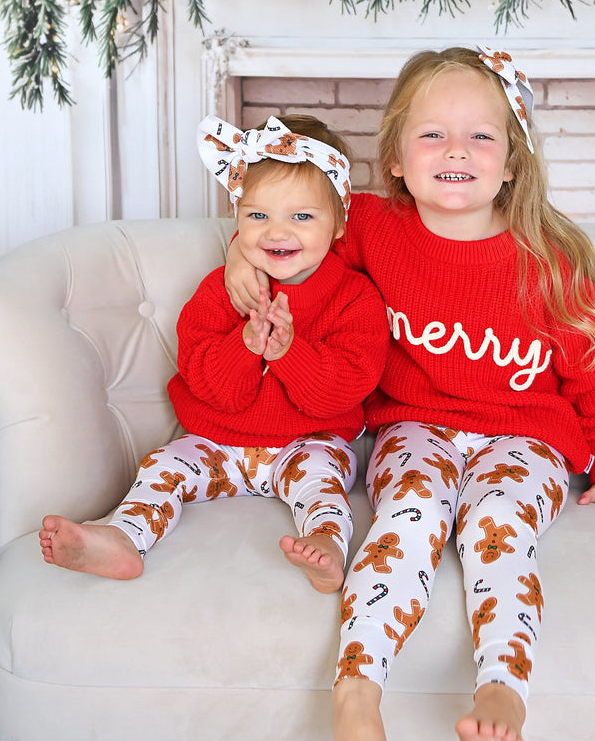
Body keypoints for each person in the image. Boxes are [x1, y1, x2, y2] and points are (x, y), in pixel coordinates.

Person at [224, 47, 595, 741]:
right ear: (395, 158)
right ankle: (357, 693)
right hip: (414, 427)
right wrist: (238, 254)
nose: (456, 151)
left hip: (526, 437)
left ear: (512, 163)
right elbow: (286, 227)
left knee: (498, 525)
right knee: (410, 512)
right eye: (432, 135)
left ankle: (503, 687)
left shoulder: (549, 260)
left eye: (480, 137)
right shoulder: (370, 226)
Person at [39, 114, 390, 594]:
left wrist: (289, 353)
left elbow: (342, 392)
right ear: (237, 217)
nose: (276, 232)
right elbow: (207, 385)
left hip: (310, 444)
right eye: (258, 216)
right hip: (217, 443)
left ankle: (326, 545)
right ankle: (123, 539)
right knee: (163, 466)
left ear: (339, 224)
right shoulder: (219, 291)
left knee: (323, 485)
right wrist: (244, 346)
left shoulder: (355, 299)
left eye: (302, 217)